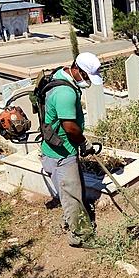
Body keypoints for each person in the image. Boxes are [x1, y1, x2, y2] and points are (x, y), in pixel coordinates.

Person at [39, 52, 103, 247]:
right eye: (85, 77)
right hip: (62, 154)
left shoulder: (60, 75)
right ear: (76, 69)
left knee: (67, 193)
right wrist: (84, 143)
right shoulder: (65, 93)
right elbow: (70, 128)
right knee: (72, 196)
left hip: (51, 149)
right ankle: (80, 237)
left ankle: (70, 219)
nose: (87, 82)